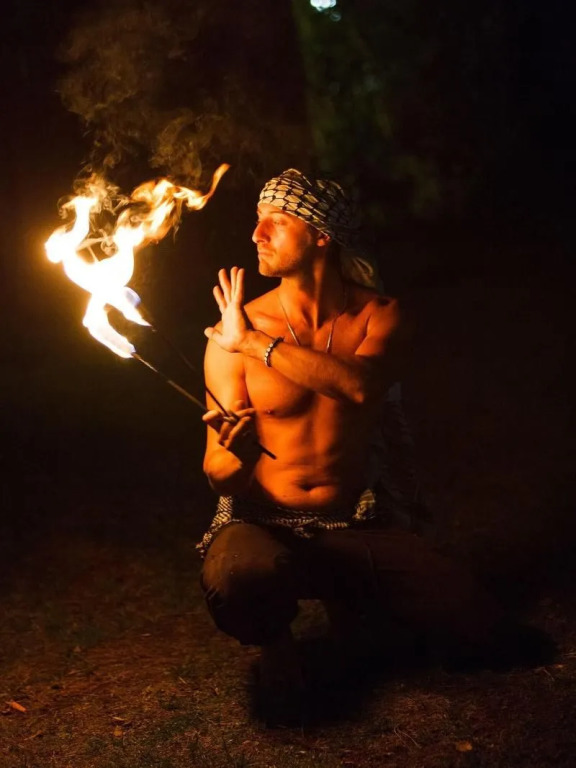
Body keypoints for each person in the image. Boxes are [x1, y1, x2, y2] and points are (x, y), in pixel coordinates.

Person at [198, 169, 512, 725]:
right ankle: (277, 645)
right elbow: (216, 473)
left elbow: (361, 386)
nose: (256, 234)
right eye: (257, 219)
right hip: (262, 522)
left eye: (277, 220)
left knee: (475, 620)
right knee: (238, 578)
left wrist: (255, 344)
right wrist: (237, 456)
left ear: (322, 235)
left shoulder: (378, 315)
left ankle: (354, 600)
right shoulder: (232, 333)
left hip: (357, 519)